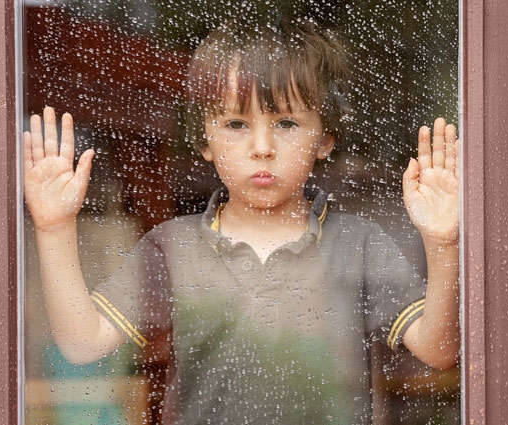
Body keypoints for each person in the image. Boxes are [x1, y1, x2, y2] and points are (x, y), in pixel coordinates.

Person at [24, 15, 460, 425]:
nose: (262, 146)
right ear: (204, 140)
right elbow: (84, 344)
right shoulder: (173, 247)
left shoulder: (359, 242)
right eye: (235, 123)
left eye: (286, 122)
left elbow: (439, 351)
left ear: (325, 138)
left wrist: (442, 243)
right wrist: (53, 226)